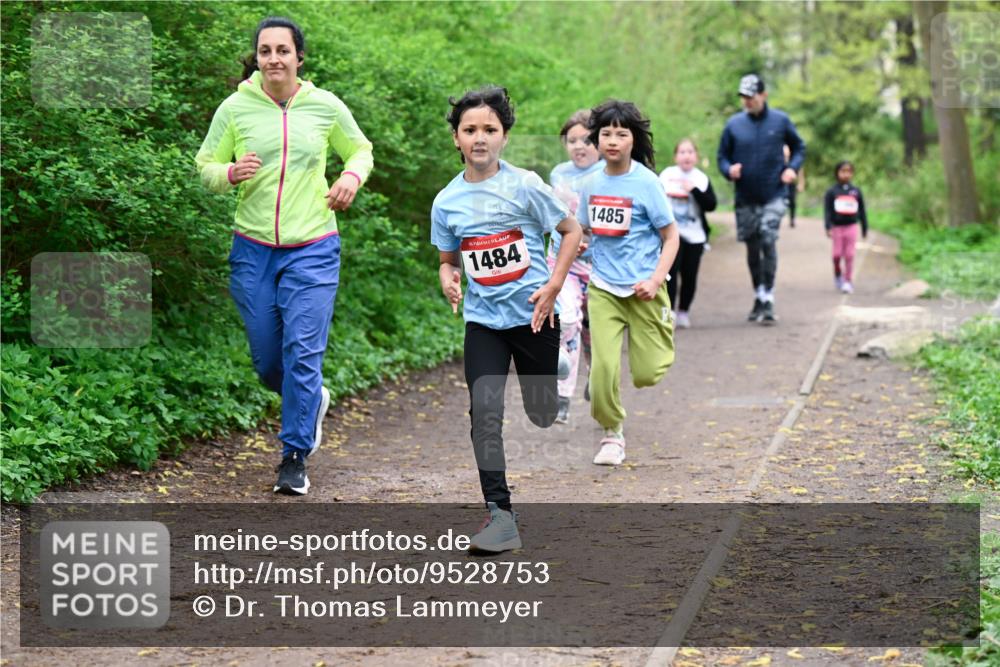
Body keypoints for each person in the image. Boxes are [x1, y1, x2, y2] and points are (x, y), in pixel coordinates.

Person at [195, 16, 373, 496]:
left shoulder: (325, 106)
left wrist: (351, 178)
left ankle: (294, 455)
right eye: (265, 50)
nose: (274, 58)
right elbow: (204, 165)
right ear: (256, 57)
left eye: (283, 50)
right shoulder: (235, 108)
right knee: (267, 361)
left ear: (299, 57)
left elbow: (360, 150)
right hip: (252, 248)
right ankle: (310, 398)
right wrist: (229, 173)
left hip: (313, 246)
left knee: (302, 352)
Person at [431, 86, 582, 552]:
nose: (480, 138)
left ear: (504, 137)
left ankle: (554, 368)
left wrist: (555, 284)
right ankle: (501, 517)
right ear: (456, 138)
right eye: (470, 129)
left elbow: (572, 232)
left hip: (535, 316)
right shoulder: (446, 202)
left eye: (489, 130)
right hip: (484, 322)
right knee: (485, 414)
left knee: (540, 415)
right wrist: (449, 276)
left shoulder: (525, 186)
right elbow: (448, 259)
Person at [576, 100, 679, 466]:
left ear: (634, 139)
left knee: (648, 373)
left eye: (622, 133)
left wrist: (655, 280)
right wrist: (580, 243)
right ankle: (612, 435)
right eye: (606, 133)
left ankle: (663, 323)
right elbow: (584, 229)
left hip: (645, 289)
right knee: (603, 368)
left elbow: (671, 237)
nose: (613, 140)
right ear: (596, 140)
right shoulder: (590, 184)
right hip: (603, 287)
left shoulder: (647, 183)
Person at [717, 73, 805, 324]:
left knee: (768, 237)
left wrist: (792, 169)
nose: (747, 102)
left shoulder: (780, 121)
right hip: (745, 197)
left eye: (751, 97)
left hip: (774, 194)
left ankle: (768, 296)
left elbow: (799, 147)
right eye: (743, 97)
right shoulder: (734, 125)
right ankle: (759, 293)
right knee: (753, 246)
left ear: (763, 95)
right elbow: (722, 156)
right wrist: (728, 169)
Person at [548, 110, 604, 424]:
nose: (579, 146)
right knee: (567, 320)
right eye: (572, 140)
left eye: (586, 139)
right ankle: (562, 396)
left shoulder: (607, 175)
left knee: (594, 333)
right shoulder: (558, 174)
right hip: (563, 262)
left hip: (599, 266)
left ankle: (597, 379)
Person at [659, 138, 717, 328]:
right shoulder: (666, 175)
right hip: (671, 235)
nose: (686, 155)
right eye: (682, 152)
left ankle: (684, 311)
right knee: (671, 273)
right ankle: (670, 312)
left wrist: (694, 191)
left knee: (690, 275)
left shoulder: (701, 178)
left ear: (696, 156)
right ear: (675, 156)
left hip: (695, 235)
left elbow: (711, 205)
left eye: (690, 152)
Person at [824, 160, 868, 294]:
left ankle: (847, 281)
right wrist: (828, 226)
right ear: (837, 173)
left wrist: (865, 227)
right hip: (837, 227)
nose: (846, 174)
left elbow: (862, 210)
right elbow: (827, 211)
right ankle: (838, 273)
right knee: (837, 255)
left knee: (849, 255)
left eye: (849, 171)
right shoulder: (832, 192)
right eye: (843, 171)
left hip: (851, 226)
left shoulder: (856, 191)